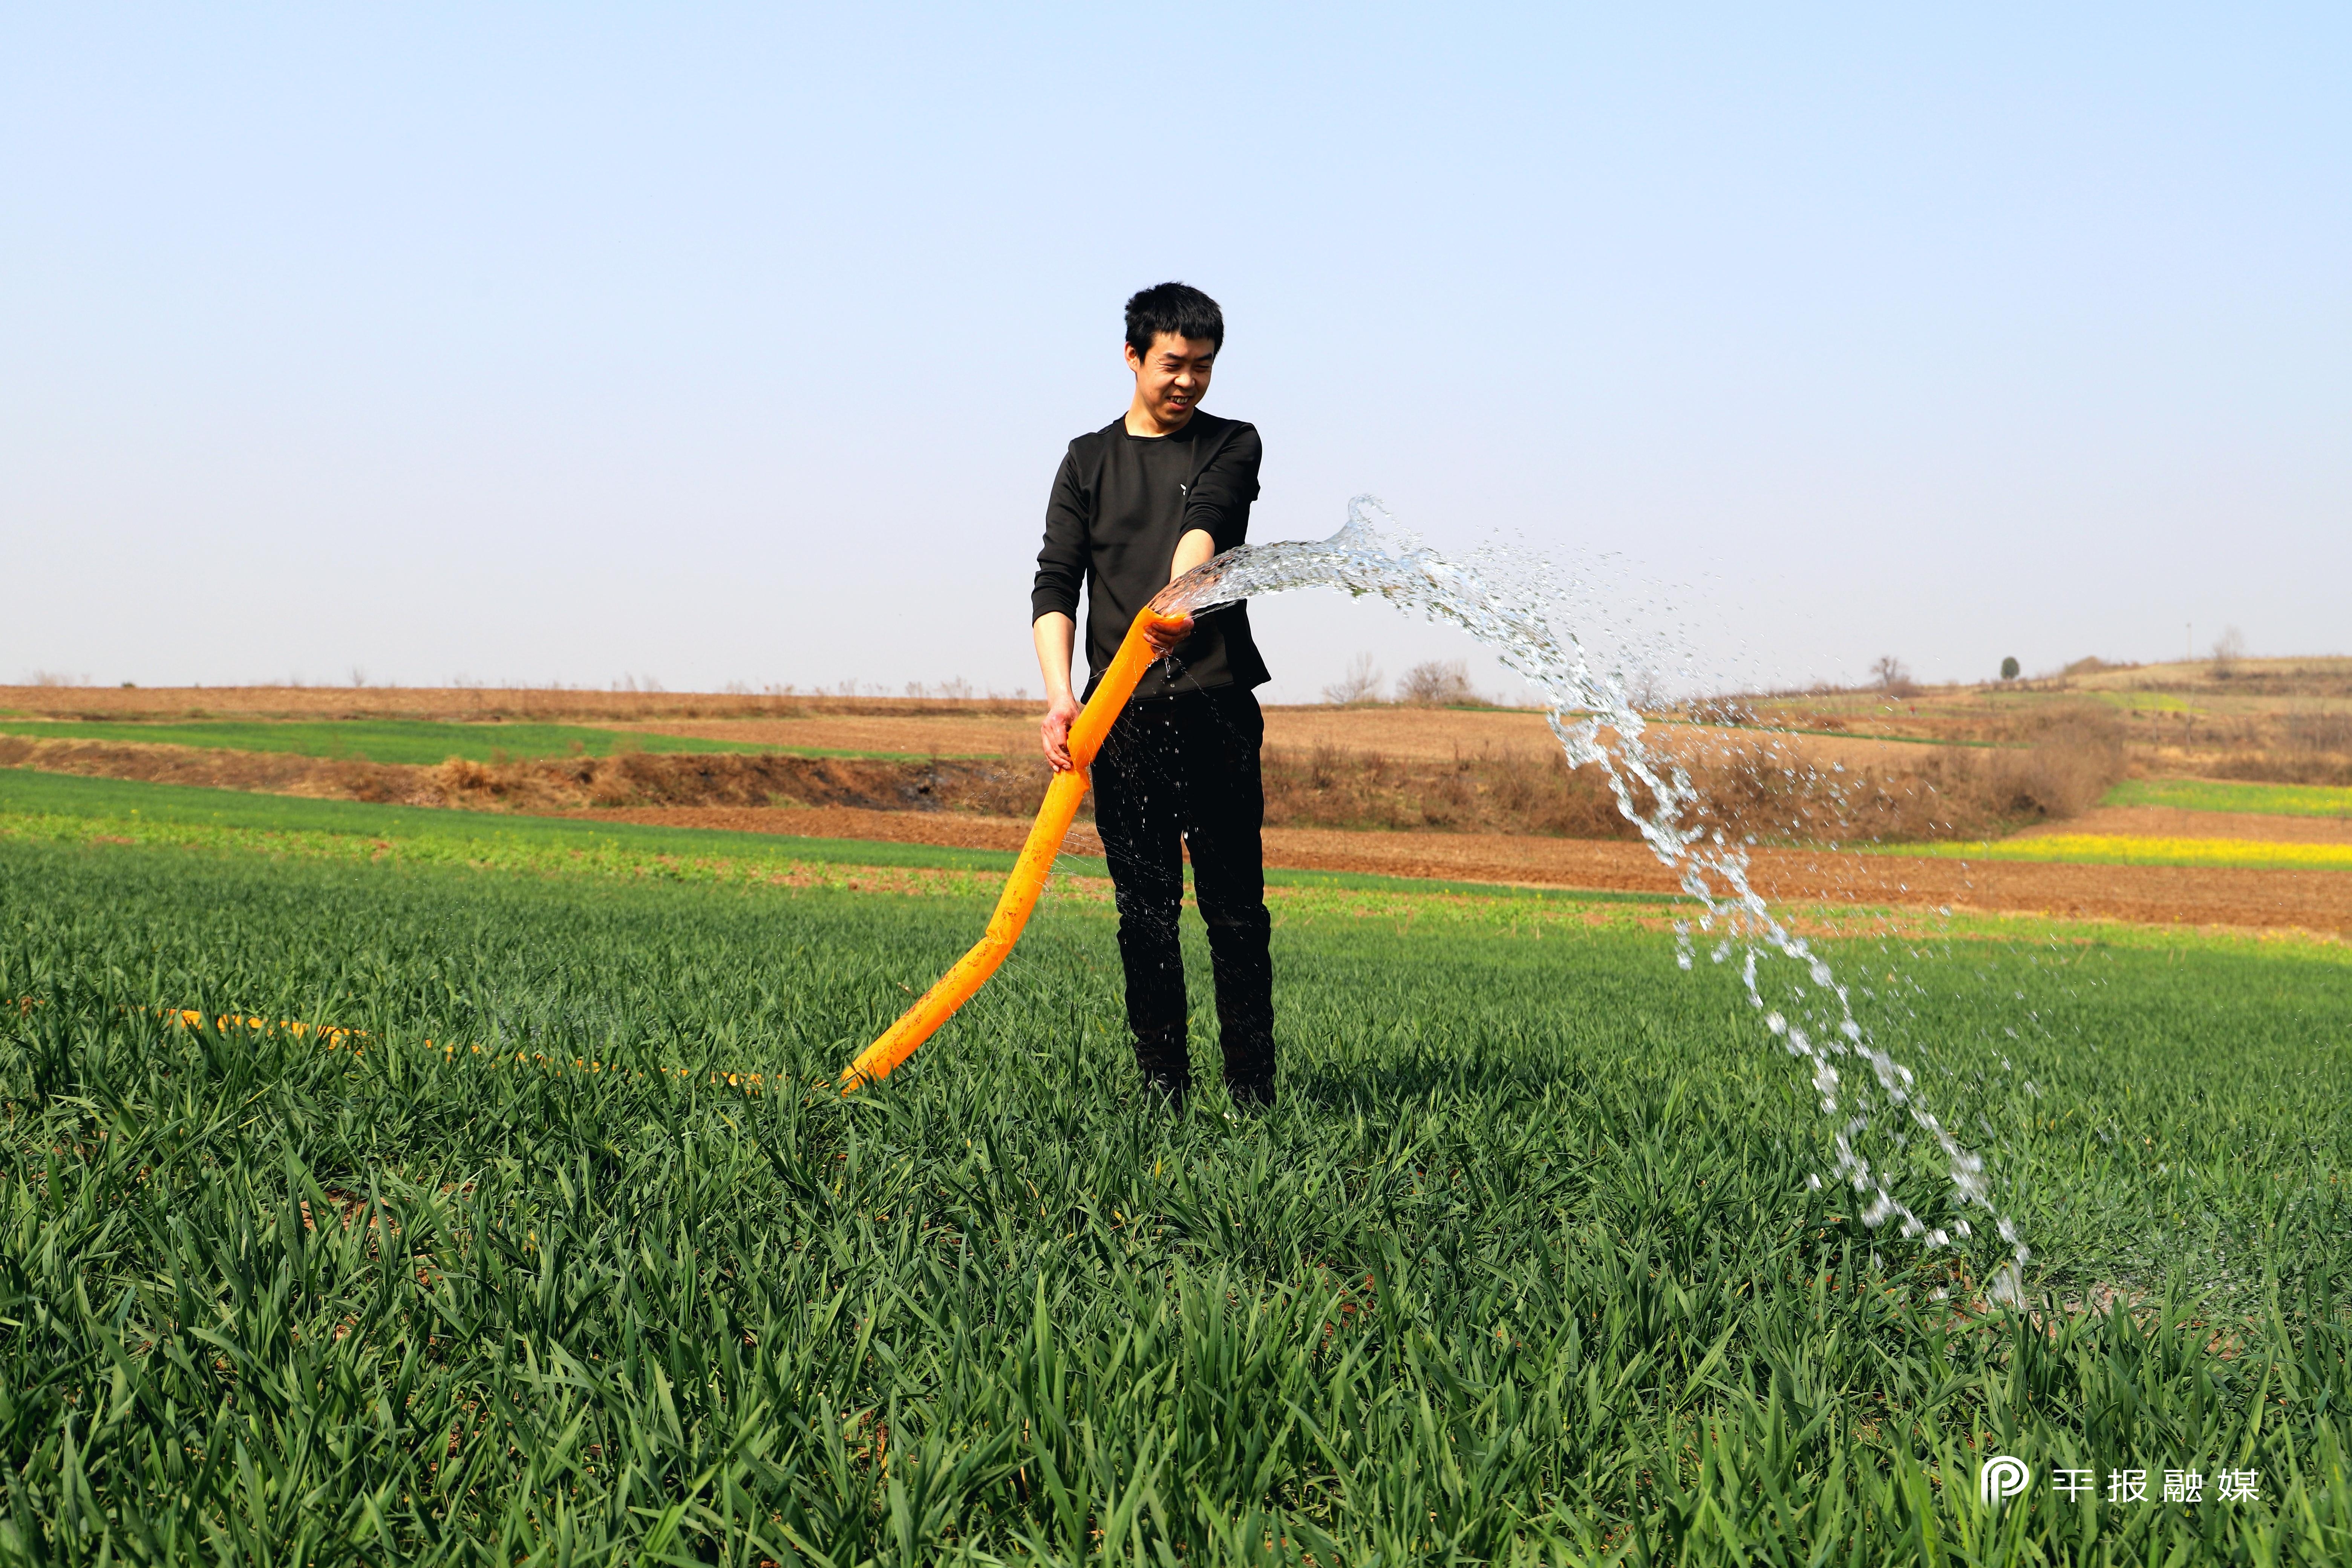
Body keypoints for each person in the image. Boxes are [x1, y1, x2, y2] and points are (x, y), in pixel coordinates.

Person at [1030, 282, 1276, 1112]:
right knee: (1146, 917)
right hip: (1122, 717)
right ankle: (1162, 1096)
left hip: (1215, 705)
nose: (1188, 381)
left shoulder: (1232, 442)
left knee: (1236, 913)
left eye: (1203, 366)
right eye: (1174, 363)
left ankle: (1253, 1096)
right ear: (1134, 356)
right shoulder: (1087, 460)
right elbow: (1056, 583)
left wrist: (1179, 596)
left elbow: (1205, 524)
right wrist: (1062, 698)